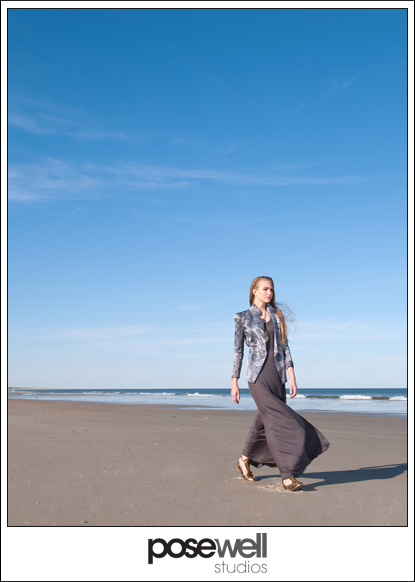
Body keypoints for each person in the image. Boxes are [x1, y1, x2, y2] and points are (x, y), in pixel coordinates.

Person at [231, 276, 329, 491]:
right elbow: (238, 351)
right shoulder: (242, 317)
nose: (269, 293)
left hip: (278, 376)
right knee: (279, 423)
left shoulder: (276, 316)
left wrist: (292, 374)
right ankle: (287, 475)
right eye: (265, 289)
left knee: (262, 423)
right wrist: (234, 381)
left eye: (272, 290)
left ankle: (244, 459)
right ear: (254, 291)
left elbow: (284, 347)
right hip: (257, 378)